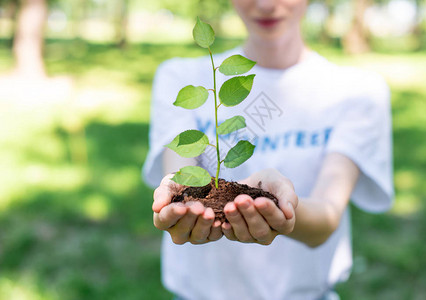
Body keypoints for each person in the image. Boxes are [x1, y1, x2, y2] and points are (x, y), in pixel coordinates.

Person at [142, 0, 393, 299]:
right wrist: (178, 194)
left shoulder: (358, 91)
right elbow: (181, 170)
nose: (265, 4)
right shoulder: (179, 76)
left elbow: (327, 217)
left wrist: (281, 208)